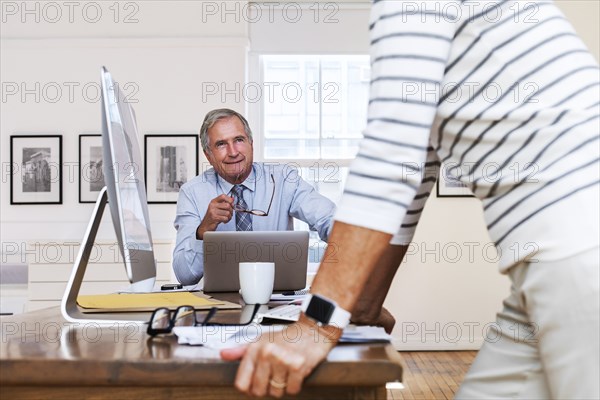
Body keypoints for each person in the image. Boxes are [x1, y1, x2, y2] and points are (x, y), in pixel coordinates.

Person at [221, 1, 600, 399]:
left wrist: (317, 325)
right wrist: (363, 308)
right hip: (554, 261)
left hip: (580, 247)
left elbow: (389, 156)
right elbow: (414, 171)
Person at [172, 108, 336, 286]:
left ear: (251, 143)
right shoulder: (192, 193)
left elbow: (329, 220)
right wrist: (204, 229)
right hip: (219, 304)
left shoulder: (284, 179)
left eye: (239, 140)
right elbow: (184, 276)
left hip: (276, 297)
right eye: (221, 144)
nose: (233, 152)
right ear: (208, 155)